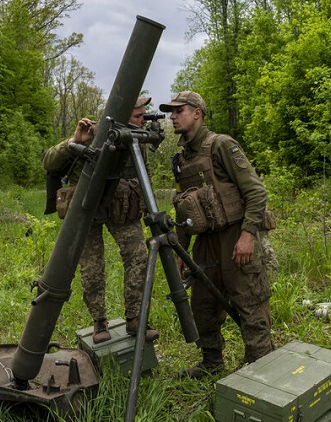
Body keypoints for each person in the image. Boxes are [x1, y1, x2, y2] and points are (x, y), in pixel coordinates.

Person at [160, 91, 274, 379]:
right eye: (170, 112)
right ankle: (212, 362)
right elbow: (182, 208)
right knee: (203, 305)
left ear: (197, 112)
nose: (172, 116)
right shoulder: (180, 159)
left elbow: (256, 192)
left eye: (179, 111)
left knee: (249, 301)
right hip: (205, 243)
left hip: (235, 235)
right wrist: (181, 252)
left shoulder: (222, 145)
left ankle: (260, 367)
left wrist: (248, 235)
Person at [43, 96, 158, 344]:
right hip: (87, 209)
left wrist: (149, 207)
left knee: (138, 256)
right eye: (138, 116)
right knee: (92, 268)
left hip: (122, 207)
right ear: (124, 115)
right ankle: (99, 320)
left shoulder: (137, 136)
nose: (143, 120)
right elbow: (49, 161)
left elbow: (143, 171)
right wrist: (75, 140)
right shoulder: (93, 132)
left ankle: (135, 318)